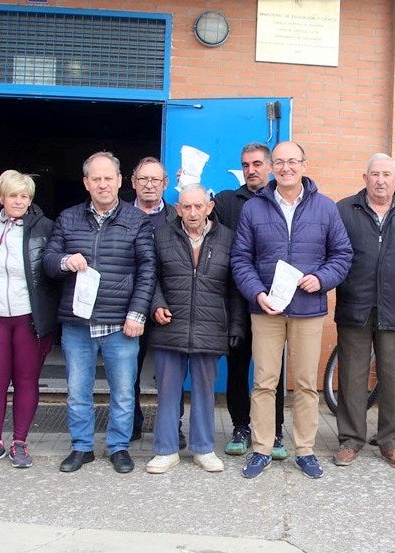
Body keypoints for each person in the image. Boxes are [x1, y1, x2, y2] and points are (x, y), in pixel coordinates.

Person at [231, 141, 352, 479]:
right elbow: (241, 259)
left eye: (292, 161)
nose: (286, 167)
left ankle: (305, 450)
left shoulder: (325, 208)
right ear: (272, 166)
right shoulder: (253, 209)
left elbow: (342, 254)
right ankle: (261, 448)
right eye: (280, 162)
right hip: (266, 309)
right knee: (265, 381)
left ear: (304, 164)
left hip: (308, 308)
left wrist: (322, 278)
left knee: (304, 383)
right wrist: (257, 293)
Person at [42, 151, 156, 474]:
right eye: (96, 178)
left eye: (109, 178)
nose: (103, 184)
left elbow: (148, 270)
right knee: (78, 390)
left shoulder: (137, 221)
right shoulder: (68, 218)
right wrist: (66, 261)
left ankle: (118, 446)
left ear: (120, 182)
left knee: (123, 391)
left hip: (121, 323)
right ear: (86, 183)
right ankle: (81, 447)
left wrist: (137, 313)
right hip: (78, 323)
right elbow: (49, 261)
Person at [145, 184, 246, 474]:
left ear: (209, 207)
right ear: (177, 209)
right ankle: (165, 450)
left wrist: (236, 324)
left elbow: (234, 287)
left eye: (197, 206)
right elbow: (151, 277)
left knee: (204, 390)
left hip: (210, 326)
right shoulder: (161, 235)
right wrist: (156, 305)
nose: (192, 212)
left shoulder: (228, 238)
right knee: (167, 391)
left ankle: (203, 449)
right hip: (170, 325)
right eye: (186, 207)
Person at [333, 153, 395, 469]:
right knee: (352, 376)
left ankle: (391, 442)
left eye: (387, 174)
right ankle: (350, 440)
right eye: (375, 174)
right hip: (354, 305)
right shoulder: (344, 210)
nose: (381, 180)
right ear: (365, 177)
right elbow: (336, 254)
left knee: (393, 376)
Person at [0, 170, 60, 469]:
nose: (19, 201)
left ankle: (19, 442)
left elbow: (52, 272)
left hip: (28, 317)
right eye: (13, 195)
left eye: (24, 196)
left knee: (26, 380)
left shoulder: (45, 228)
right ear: (1, 197)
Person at [212, 142, 288, 460]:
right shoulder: (228, 201)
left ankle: (276, 430)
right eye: (245, 165)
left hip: (273, 301)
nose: (251, 170)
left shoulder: (282, 201)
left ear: (269, 166)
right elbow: (197, 215)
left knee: (273, 371)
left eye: (257, 164)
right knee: (238, 367)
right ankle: (241, 427)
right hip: (237, 301)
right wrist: (186, 185)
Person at [128, 157, 181, 446]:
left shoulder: (177, 216)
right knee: (128, 371)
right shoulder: (120, 215)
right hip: (129, 305)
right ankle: (130, 425)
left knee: (170, 374)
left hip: (167, 307)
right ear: (133, 182)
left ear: (165, 184)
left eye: (155, 180)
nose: (149, 185)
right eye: (143, 179)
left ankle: (173, 427)